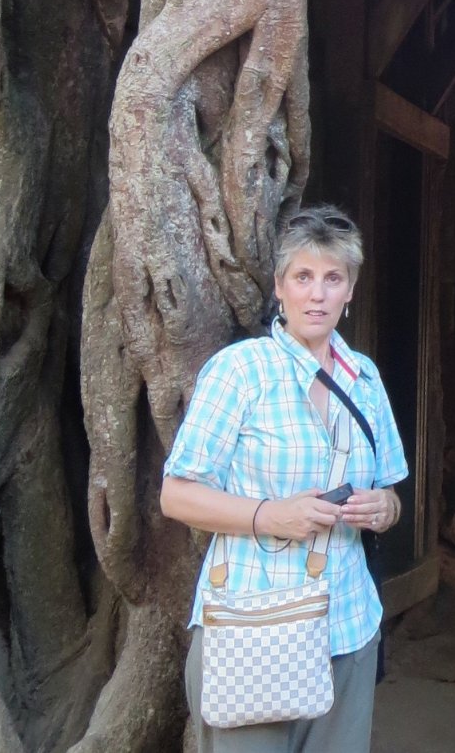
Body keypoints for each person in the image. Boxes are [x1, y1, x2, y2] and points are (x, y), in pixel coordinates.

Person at [162, 206, 409, 752]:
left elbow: (391, 495)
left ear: (350, 289)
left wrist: (383, 509)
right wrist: (268, 516)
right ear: (280, 287)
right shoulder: (240, 371)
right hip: (254, 630)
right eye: (302, 277)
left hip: (347, 628)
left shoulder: (364, 379)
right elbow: (175, 494)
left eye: (332, 278)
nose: (316, 294)